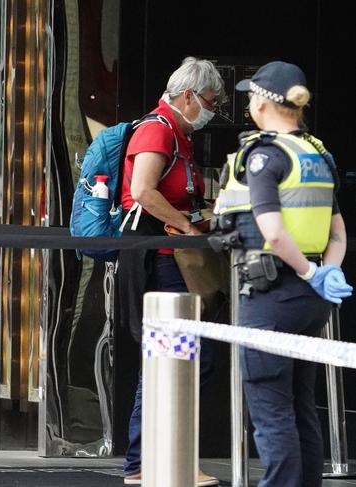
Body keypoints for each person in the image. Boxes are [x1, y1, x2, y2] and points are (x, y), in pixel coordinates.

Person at [215, 61, 352, 486]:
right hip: (310, 301)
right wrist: (324, 273)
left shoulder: (265, 155)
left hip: (272, 293)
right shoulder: (317, 153)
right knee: (299, 407)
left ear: (261, 101)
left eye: (250, 96)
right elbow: (339, 232)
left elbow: (271, 231)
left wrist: (309, 270)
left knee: (272, 413)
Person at [117, 57, 224, 486]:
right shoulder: (158, 130)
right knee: (173, 359)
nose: (212, 110)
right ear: (187, 96)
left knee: (185, 359)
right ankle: (148, 460)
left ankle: (154, 459)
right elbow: (142, 191)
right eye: (211, 102)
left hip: (173, 257)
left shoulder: (178, 134)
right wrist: (183, 225)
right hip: (161, 260)